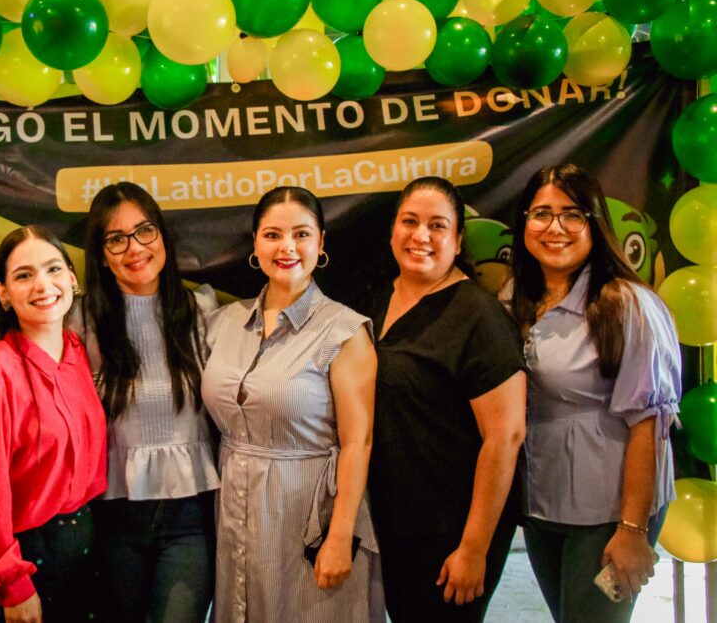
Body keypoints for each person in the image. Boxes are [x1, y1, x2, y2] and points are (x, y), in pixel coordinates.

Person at [506, 164, 681, 622]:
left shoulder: (628, 305)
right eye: (541, 213)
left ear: (594, 223)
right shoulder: (517, 300)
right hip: (545, 510)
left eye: (572, 214)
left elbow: (649, 425)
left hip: (609, 515)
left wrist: (631, 530)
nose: (555, 227)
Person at [202, 186, 383, 623]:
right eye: (273, 235)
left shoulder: (344, 330)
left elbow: (358, 443)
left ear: (321, 243)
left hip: (308, 515)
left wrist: (340, 537)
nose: (287, 248)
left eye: (301, 234)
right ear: (255, 245)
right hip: (235, 514)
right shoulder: (223, 322)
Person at [367, 176, 526, 623]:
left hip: (451, 534)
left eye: (437, 226)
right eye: (409, 222)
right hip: (394, 525)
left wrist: (473, 549)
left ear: (458, 241)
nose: (421, 236)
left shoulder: (479, 317)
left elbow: (506, 438)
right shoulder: (381, 299)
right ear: (393, 231)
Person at [78, 183, 219, 623]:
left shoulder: (199, 311)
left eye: (144, 231)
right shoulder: (80, 320)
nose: (134, 248)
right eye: (116, 239)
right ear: (101, 254)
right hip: (112, 517)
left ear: (162, 236)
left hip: (189, 517)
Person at [0, 225, 107, 623]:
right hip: (23, 562)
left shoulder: (77, 352)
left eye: (53, 269)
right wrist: (11, 584)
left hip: (84, 551)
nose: (43, 285)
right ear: (3, 293)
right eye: (24, 275)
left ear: (72, 280)